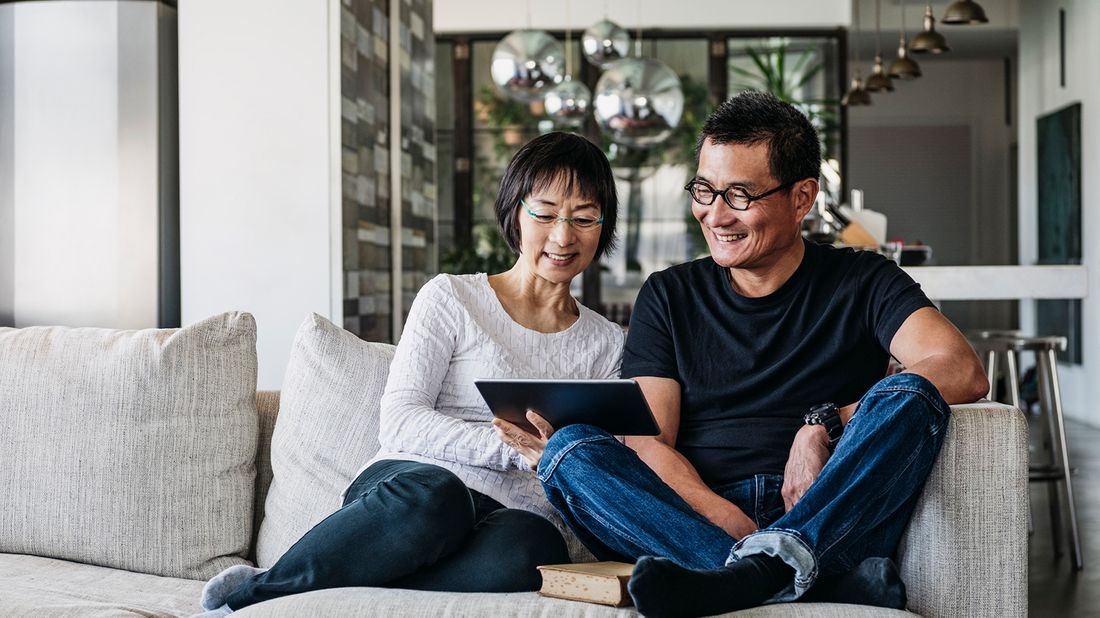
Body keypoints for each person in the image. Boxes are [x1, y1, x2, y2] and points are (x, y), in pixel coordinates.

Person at [494, 92, 989, 618]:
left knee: (911, 392)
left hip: (830, 503)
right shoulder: (669, 294)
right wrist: (719, 513)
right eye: (704, 190)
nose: (716, 215)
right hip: (696, 514)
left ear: (802, 198)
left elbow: (960, 368)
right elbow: (649, 441)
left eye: (739, 195)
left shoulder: (863, 280)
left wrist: (825, 424)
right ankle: (786, 574)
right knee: (570, 450)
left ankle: (740, 577)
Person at [197, 132, 624, 615]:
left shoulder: (607, 343)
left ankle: (348, 577)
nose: (563, 235)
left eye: (584, 218)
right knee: (439, 498)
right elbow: (399, 419)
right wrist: (515, 450)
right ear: (515, 212)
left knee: (533, 547)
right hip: (409, 493)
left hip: (505, 518)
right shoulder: (452, 298)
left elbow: (595, 454)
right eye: (545, 213)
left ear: (602, 225)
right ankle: (259, 593)